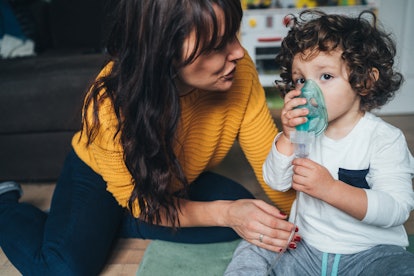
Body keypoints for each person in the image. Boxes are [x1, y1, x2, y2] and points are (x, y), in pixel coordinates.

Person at [0, 0, 300, 275]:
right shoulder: (110, 103)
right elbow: (145, 203)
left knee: (254, 215)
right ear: (162, 51)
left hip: (169, 181)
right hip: (99, 178)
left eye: (233, 34)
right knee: (61, 269)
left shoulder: (239, 71)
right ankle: (5, 203)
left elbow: (269, 165)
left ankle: (103, 223)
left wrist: (305, 222)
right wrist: (225, 212)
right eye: (217, 46)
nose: (237, 52)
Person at [225, 9, 414, 275]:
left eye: (325, 76)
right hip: (305, 249)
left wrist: (330, 189)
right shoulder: (304, 134)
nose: (307, 90)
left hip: (368, 254)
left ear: (365, 82)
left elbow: (396, 209)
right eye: (300, 80)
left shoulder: (384, 139)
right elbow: (276, 181)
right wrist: (288, 138)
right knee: (255, 245)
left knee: (403, 267)